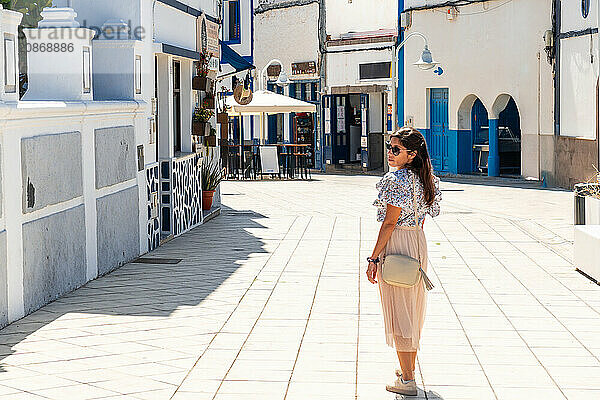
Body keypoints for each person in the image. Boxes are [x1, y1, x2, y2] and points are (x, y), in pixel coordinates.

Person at [366, 127, 442, 396]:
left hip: (397, 242)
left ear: (411, 154)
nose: (390, 152)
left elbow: (389, 223)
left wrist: (374, 257)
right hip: (417, 242)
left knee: (400, 311)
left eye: (396, 149)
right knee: (411, 306)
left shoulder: (395, 180)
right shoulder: (427, 178)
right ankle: (406, 368)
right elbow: (424, 216)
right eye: (389, 146)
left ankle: (408, 380)